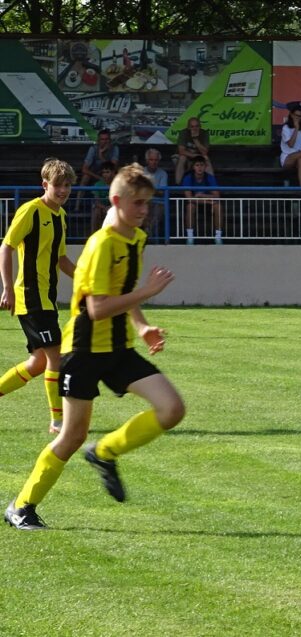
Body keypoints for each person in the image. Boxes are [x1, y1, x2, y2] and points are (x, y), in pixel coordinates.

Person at [4, 163, 184, 531]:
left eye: (148, 203)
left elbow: (123, 290)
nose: (144, 210)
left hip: (118, 348)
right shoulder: (101, 245)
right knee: (71, 437)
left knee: (172, 408)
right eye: (137, 203)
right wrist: (148, 292)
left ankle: (105, 453)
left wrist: (142, 324)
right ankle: (22, 506)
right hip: (83, 352)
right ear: (116, 201)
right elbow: (97, 307)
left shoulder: (136, 238)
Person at [0, 158, 78, 434]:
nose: (63, 190)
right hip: (30, 297)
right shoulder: (30, 211)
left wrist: (88, 279)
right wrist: (7, 288)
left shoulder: (61, 216)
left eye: (67, 185)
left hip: (47, 298)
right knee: (56, 357)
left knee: (39, 363)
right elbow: (7, 246)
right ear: (45, 184)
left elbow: (61, 259)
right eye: (58, 185)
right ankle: (58, 421)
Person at [181, 156, 222, 245]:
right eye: (197, 165)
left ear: (205, 166)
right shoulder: (188, 178)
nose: (199, 167)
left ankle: (218, 237)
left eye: (202, 165)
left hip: (207, 204)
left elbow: (217, 196)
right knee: (190, 206)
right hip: (196, 204)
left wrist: (202, 195)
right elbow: (189, 198)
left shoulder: (209, 177)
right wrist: (207, 200)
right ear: (193, 167)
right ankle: (190, 237)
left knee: (218, 206)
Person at [77, 129, 119, 209]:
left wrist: (101, 156)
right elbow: (84, 169)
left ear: (110, 140)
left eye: (106, 139)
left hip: (109, 174)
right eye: (102, 139)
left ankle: (112, 206)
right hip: (96, 174)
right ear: (98, 141)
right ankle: (77, 207)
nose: (105, 141)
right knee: (85, 177)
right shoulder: (93, 148)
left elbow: (113, 167)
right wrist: (99, 177)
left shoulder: (114, 148)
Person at [175, 117, 213, 185]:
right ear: (188, 127)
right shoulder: (184, 132)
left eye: (197, 126)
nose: (194, 128)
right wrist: (193, 155)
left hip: (199, 157)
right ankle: (178, 183)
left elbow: (205, 152)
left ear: (200, 126)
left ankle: (212, 185)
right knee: (182, 158)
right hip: (187, 156)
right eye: (192, 126)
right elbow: (181, 151)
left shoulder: (204, 133)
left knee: (206, 158)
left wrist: (195, 139)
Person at [141, 148, 169, 236]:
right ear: (147, 160)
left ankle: (148, 230)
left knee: (161, 207)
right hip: (144, 201)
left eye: (156, 160)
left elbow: (162, 192)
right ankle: (147, 232)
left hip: (158, 202)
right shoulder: (140, 172)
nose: (154, 162)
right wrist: (154, 190)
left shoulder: (163, 173)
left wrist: (148, 189)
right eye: (151, 160)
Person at [91, 161, 117, 232]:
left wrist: (111, 208)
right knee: (96, 212)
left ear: (113, 172)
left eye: (107, 172)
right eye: (103, 172)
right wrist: (105, 208)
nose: (105, 174)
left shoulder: (117, 184)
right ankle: (94, 235)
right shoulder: (98, 184)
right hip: (101, 208)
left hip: (114, 208)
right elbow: (96, 201)